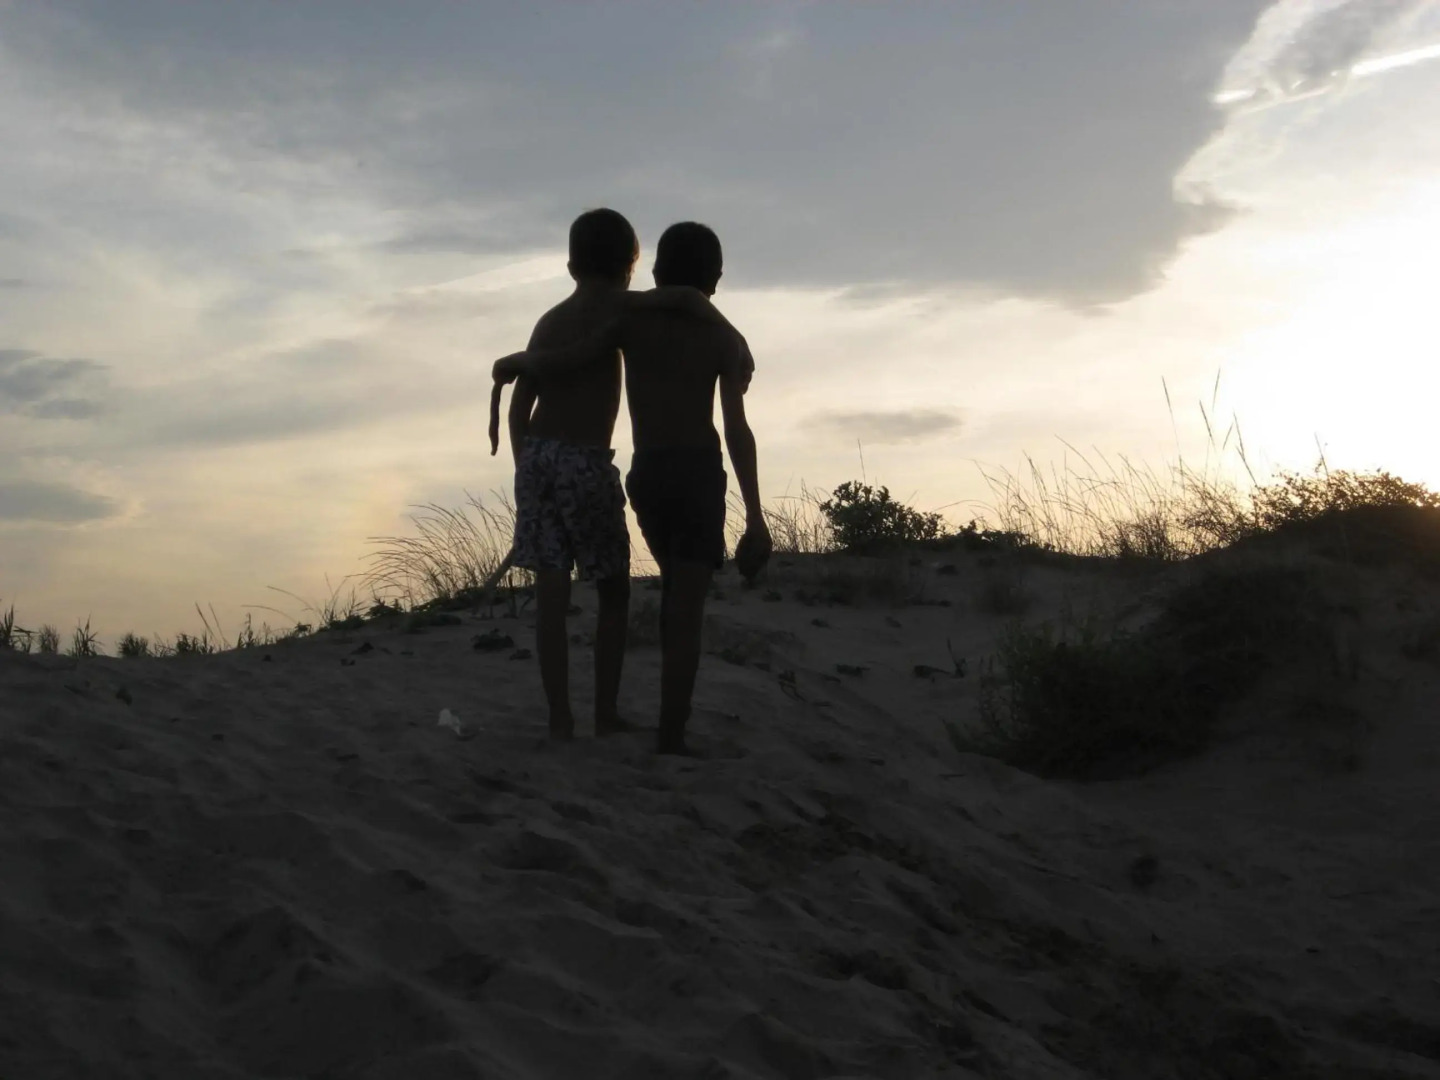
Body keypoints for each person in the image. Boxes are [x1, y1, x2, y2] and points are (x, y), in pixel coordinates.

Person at [495, 221, 771, 754]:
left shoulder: (626, 317)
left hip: (631, 474)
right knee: (668, 603)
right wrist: (755, 512)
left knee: (605, 591)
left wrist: (519, 366)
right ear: (714, 278)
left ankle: (569, 720)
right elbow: (736, 426)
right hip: (685, 471)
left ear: (657, 271)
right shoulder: (710, 334)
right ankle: (656, 731)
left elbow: (562, 367)